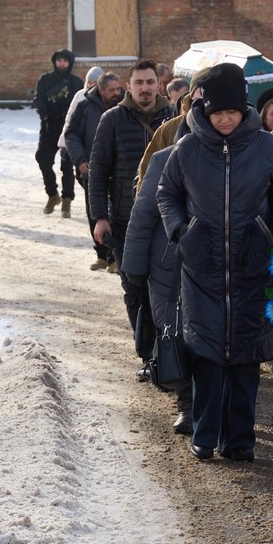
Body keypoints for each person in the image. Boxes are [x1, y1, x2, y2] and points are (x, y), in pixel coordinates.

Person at [156, 62, 273, 462]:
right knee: (208, 355)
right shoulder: (187, 147)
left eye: (232, 112)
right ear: (205, 109)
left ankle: (240, 439)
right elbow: (166, 193)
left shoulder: (265, 146)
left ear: (243, 109)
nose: (225, 120)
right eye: (218, 113)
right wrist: (183, 231)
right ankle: (205, 433)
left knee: (246, 358)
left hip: (253, 265)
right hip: (202, 267)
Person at [90, 60, 175, 362]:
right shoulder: (112, 120)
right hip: (125, 220)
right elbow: (98, 172)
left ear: (159, 84)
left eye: (150, 82)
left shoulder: (174, 117)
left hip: (165, 220)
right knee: (134, 287)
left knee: (165, 288)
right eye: (139, 82)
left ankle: (166, 353)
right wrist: (99, 217)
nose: (145, 88)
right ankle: (146, 353)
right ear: (129, 86)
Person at [122, 142, 193, 435]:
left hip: (222, 261)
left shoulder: (247, 150)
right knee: (175, 331)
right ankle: (187, 405)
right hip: (170, 262)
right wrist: (134, 268)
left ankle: (220, 407)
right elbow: (143, 216)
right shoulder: (166, 157)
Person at [65, 72, 123, 271]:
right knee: (95, 212)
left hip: (119, 170)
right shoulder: (85, 107)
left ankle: (114, 256)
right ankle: (101, 254)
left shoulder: (125, 106)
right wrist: (80, 160)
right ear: (101, 90)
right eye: (112, 90)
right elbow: (71, 134)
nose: (117, 93)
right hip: (91, 170)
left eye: (118, 89)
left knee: (116, 212)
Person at [33, 49, 83, 214]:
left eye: (65, 61)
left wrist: (67, 117)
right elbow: (38, 100)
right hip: (48, 128)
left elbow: (80, 104)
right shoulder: (45, 79)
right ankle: (52, 194)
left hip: (68, 129)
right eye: (59, 61)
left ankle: (67, 200)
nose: (61, 64)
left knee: (67, 165)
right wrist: (46, 114)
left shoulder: (76, 82)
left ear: (70, 63)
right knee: (42, 159)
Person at [57, 65, 104, 220]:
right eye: (89, 82)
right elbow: (69, 119)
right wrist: (65, 142)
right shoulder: (80, 96)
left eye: (95, 82)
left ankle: (96, 204)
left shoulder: (107, 98)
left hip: (95, 143)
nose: (91, 85)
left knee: (92, 176)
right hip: (78, 142)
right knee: (80, 174)